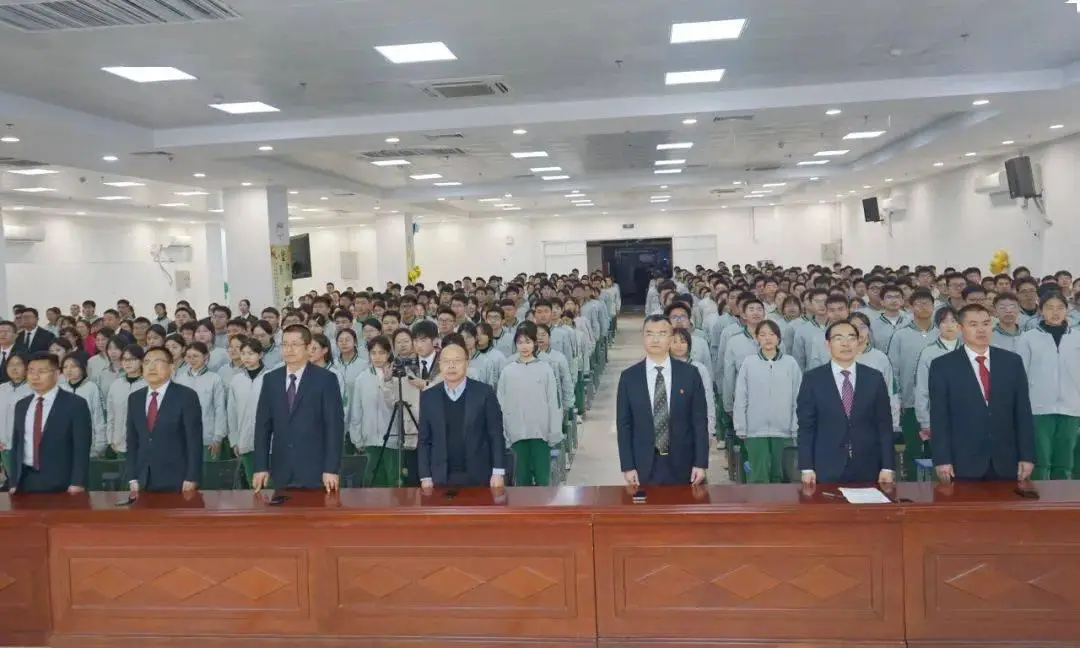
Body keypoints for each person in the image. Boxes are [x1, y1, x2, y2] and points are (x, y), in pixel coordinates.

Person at [929, 304, 1036, 482]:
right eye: (973, 324)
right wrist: (942, 459)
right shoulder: (943, 366)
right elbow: (939, 416)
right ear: (960, 328)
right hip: (962, 461)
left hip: (1006, 461)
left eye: (986, 324)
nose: (981, 330)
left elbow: (1023, 412)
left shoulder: (1012, 362)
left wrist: (1027, 455)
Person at [796, 320, 894, 485]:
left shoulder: (874, 378)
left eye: (851, 338)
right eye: (838, 338)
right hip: (825, 467)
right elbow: (806, 427)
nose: (845, 344)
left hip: (868, 466)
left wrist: (887, 466)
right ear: (828, 344)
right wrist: (806, 467)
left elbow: (884, 426)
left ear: (858, 342)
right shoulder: (813, 379)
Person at [616, 314, 709, 487]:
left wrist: (701, 463)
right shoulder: (629, 377)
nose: (655, 339)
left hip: (684, 463)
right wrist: (628, 466)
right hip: (643, 464)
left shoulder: (689, 374)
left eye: (661, 334)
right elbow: (624, 425)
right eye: (649, 333)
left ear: (671, 338)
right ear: (643, 337)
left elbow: (699, 421)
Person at [252, 325, 345, 492]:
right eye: (285, 344)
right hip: (281, 470)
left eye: (295, 344)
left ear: (308, 348)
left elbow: (334, 427)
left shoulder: (326, 379)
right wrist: (261, 466)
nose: (289, 349)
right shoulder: (271, 379)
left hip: (316, 471)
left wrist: (331, 469)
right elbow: (262, 427)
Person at [417, 334, 507, 488]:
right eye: (447, 361)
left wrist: (498, 472)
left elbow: (496, 435)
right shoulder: (428, 396)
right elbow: (424, 440)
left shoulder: (484, 393)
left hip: (479, 475)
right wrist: (425, 476)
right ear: (440, 365)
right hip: (440, 476)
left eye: (457, 361)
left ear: (467, 362)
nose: (451, 366)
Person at [1015, 294, 1080, 480]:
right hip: (1038, 408)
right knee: (1040, 459)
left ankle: (1063, 496)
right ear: (1041, 311)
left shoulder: (1077, 338)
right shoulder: (1028, 338)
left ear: (1067, 310)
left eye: (1060, 307)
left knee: (1066, 460)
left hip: (1072, 407)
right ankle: (1038, 496)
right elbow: (1020, 374)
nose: (1055, 312)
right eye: (1049, 307)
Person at [9, 352, 92, 493]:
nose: (35, 377)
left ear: (57, 374)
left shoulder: (75, 404)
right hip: (25, 480)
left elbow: (81, 447)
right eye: (31, 371)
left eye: (42, 371)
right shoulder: (22, 405)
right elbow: (17, 445)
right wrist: (13, 482)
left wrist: (77, 482)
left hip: (62, 482)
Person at [125, 346, 203, 494]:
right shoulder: (135, 398)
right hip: (143, 477)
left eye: (158, 361)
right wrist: (132, 476)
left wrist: (192, 477)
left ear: (171, 368)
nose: (151, 366)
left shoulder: (186, 396)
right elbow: (132, 440)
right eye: (147, 362)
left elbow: (194, 440)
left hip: (177, 478)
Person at [733, 321, 801, 483]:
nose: (767, 338)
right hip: (755, 430)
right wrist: (741, 426)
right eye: (762, 335)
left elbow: (798, 397)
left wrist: (795, 425)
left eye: (772, 334)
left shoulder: (790, 363)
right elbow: (741, 396)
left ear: (779, 338)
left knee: (781, 476)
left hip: (783, 430)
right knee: (758, 475)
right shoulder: (749, 363)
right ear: (756, 338)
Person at [497, 323, 563, 486]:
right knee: (521, 480)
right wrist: (504, 432)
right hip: (516, 433)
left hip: (541, 434)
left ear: (534, 343)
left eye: (528, 341)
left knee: (542, 480)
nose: (524, 346)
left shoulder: (545, 369)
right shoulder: (507, 371)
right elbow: (501, 403)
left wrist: (553, 432)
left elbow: (553, 402)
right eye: (520, 342)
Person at [175, 342, 227, 461]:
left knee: (208, 471)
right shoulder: (180, 379)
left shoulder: (215, 379)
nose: (192, 360)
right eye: (188, 356)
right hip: (183, 437)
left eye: (196, 356)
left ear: (206, 356)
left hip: (208, 437)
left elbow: (220, 408)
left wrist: (217, 437)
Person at [226, 338, 268, 487]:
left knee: (269, 484)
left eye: (251, 353)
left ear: (260, 355)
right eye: (243, 353)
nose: (246, 357)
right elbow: (231, 412)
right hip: (244, 439)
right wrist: (234, 440)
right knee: (252, 482)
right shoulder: (236, 380)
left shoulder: (270, 377)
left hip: (269, 441)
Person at [59, 355, 106, 458]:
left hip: (87, 442)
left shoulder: (91, 387)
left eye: (73, 366)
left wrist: (100, 442)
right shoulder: (60, 389)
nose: (69, 370)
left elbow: (98, 416)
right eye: (65, 367)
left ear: (83, 368)